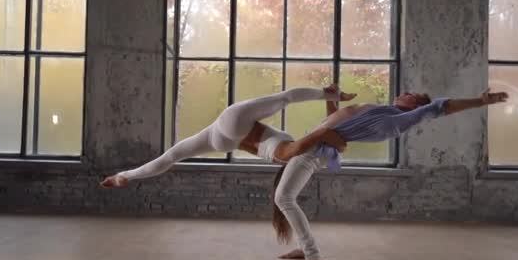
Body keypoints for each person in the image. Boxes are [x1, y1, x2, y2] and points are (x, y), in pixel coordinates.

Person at [272, 88, 509, 260]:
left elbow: (439, 107)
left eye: (410, 95)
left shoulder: (397, 120)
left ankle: (314, 258)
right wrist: (331, 100)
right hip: (312, 144)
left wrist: (480, 101)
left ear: (414, 106)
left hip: (314, 149)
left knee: (284, 198)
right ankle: (306, 250)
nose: (404, 93)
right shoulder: (382, 110)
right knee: (284, 196)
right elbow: (333, 123)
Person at [100, 86, 355, 188]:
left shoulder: (293, 152)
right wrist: (331, 101)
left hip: (227, 129)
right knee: (172, 156)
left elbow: (323, 127)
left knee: (172, 156)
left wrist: (330, 97)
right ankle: (123, 176)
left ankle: (124, 175)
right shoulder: (289, 156)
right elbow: (328, 125)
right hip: (227, 138)